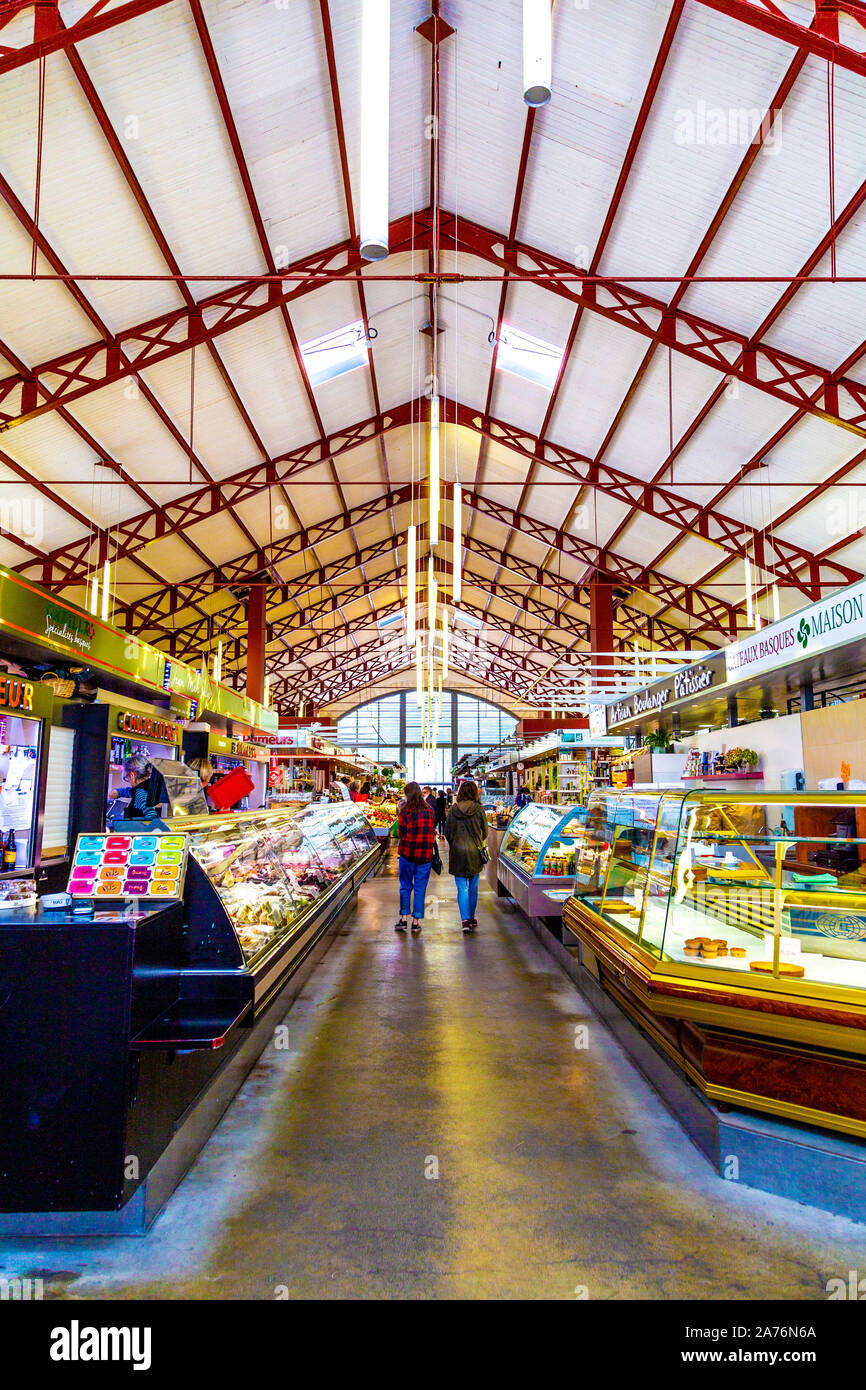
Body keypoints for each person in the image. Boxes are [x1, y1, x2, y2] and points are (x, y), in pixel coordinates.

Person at [444, 778, 489, 934]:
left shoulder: (453, 810)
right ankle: (471, 917)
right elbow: (485, 832)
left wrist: (455, 843)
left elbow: (447, 833)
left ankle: (464, 920)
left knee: (461, 887)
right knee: (473, 887)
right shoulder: (479, 809)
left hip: (457, 852)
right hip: (474, 852)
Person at [395, 781, 436, 934]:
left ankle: (403, 918)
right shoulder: (429, 810)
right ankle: (416, 921)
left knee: (405, 886)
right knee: (420, 888)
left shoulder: (405, 811)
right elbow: (431, 829)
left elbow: (400, 832)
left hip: (407, 854)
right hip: (425, 856)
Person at [120, 753, 155, 819]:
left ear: (132, 775)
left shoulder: (140, 793)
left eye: (127, 778)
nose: (129, 781)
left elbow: (152, 818)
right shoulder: (152, 787)